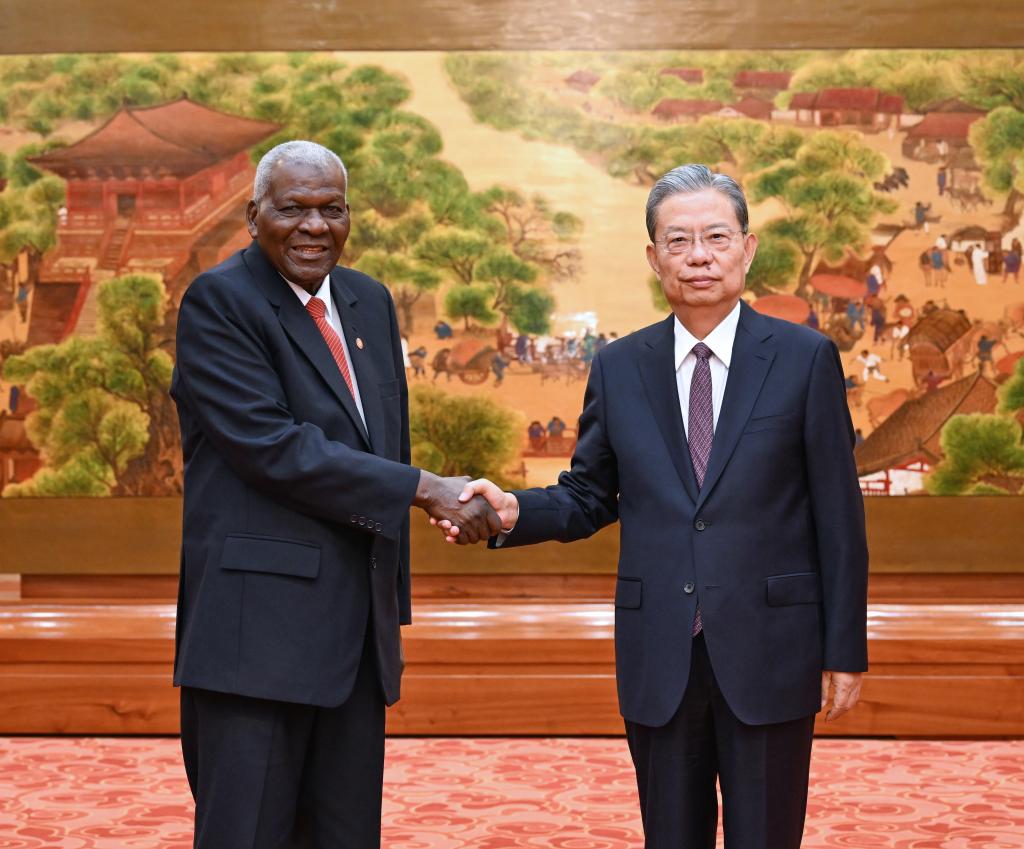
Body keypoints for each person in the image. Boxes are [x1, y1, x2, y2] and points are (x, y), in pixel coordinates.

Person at [438, 165, 868, 849]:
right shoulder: (620, 366)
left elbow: (839, 517)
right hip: (661, 647)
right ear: (654, 257)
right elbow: (589, 494)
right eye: (679, 240)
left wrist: (844, 648)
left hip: (770, 644)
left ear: (747, 249)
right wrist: (512, 509)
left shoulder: (804, 358)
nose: (699, 256)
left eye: (716, 237)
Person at [170, 140, 500, 849]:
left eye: (332, 209)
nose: (314, 226)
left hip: (354, 643)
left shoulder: (368, 301)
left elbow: (383, 441)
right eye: (292, 209)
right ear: (253, 213)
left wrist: (392, 607)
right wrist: (428, 490)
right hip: (255, 644)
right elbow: (274, 448)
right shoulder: (219, 302)